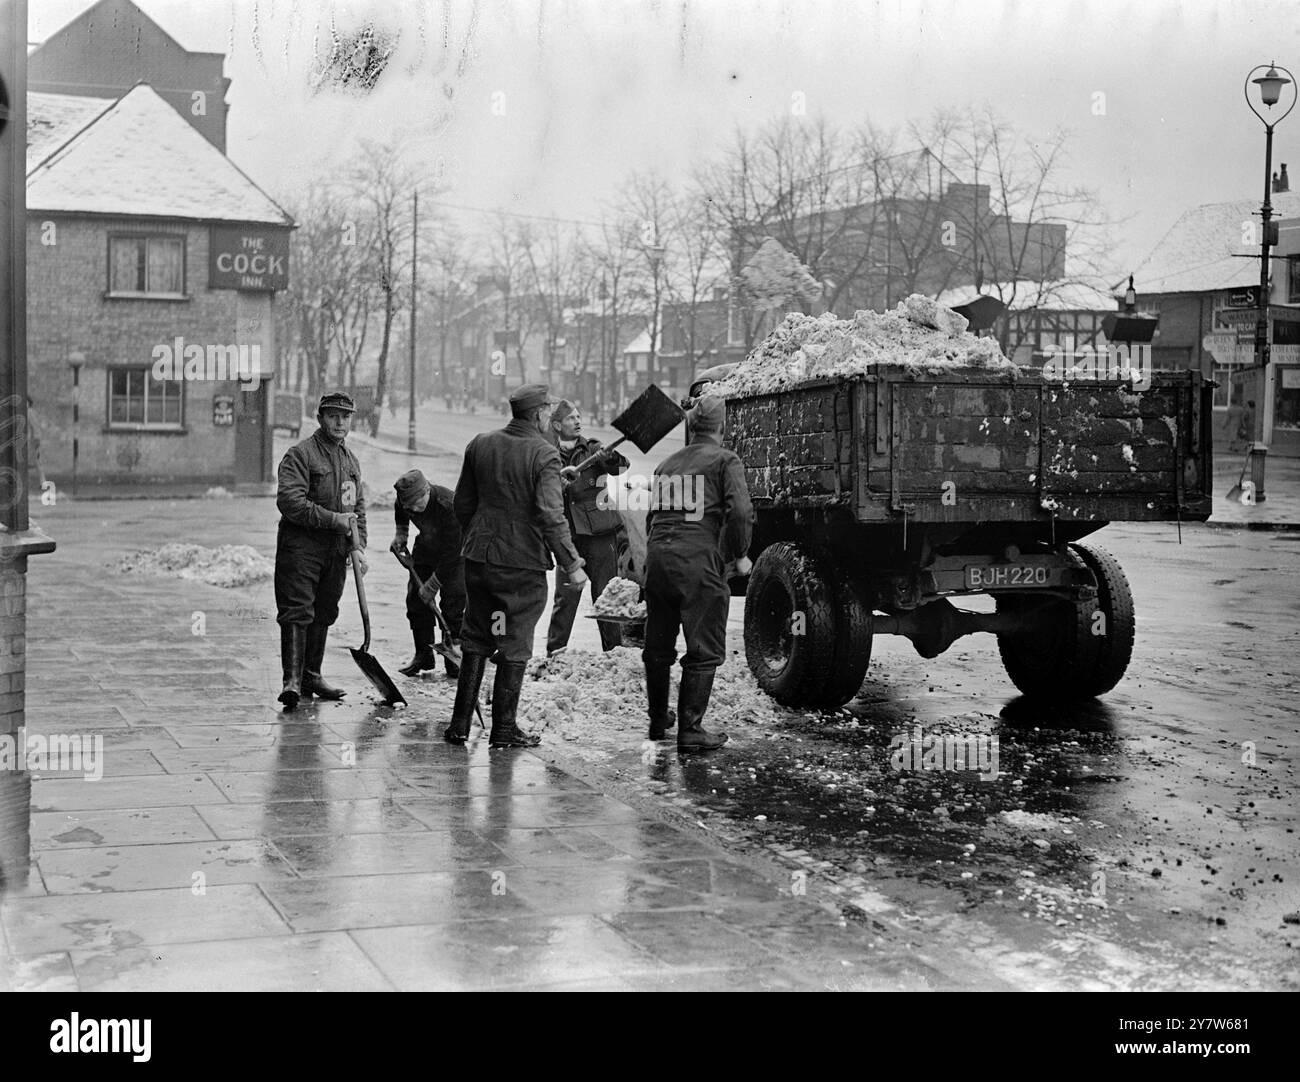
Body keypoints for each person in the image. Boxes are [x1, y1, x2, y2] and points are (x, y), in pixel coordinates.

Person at [445, 384, 589, 748]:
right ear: (540, 415)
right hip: (520, 566)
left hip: (479, 560)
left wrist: (481, 538)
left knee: (477, 635)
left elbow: (463, 504)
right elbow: (550, 515)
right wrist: (572, 563)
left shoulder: (481, 443)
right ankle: (504, 729)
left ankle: (459, 725)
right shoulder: (544, 454)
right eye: (549, 413)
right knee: (513, 640)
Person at [642, 394, 753, 752]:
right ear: (722, 427)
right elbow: (739, 513)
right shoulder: (725, 460)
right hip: (698, 560)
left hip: (658, 559)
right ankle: (690, 730)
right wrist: (739, 555)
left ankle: (658, 719)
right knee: (703, 648)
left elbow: (651, 518)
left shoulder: (666, 464)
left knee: (657, 646)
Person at [274, 391, 368, 710]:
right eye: (333, 416)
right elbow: (290, 502)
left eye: (346, 416)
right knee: (297, 610)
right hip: (300, 547)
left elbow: (358, 508)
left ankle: (312, 675)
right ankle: (292, 681)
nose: (340, 422)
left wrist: (359, 547)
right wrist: (333, 520)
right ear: (320, 419)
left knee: (325, 610)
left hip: (336, 550)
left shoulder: (350, 461)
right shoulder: (300, 455)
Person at [544, 400, 629, 655]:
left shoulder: (593, 448)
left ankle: (612, 652)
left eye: (579, 416)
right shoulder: (548, 453)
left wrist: (610, 457)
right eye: (571, 418)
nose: (578, 421)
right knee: (566, 597)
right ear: (557, 425)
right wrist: (560, 482)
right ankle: (555, 653)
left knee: (606, 596)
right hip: (569, 536)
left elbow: (623, 467)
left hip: (601, 533)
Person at [389, 469, 465, 678]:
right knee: (416, 599)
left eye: (418, 503)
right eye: (409, 506)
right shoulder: (405, 500)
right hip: (426, 546)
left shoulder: (449, 505)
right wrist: (401, 534)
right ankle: (423, 654)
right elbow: (400, 508)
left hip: (455, 553)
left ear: (427, 491)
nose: (414, 509)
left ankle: (454, 656)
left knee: (453, 603)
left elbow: (453, 554)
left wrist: (432, 586)